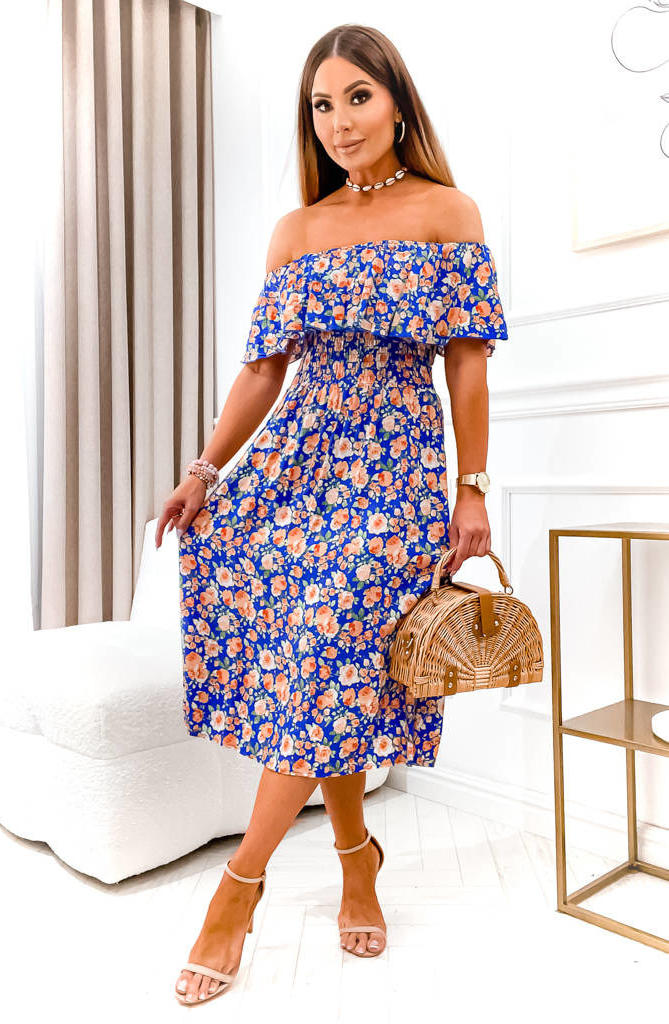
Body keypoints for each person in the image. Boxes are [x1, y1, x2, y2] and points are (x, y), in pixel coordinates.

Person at [155, 22, 508, 1006]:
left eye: (358, 96)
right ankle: (356, 858)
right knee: (329, 674)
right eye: (322, 104)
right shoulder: (296, 230)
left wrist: (471, 487)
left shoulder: (447, 212)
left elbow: (466, 366)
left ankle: (236, 890)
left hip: (394, 471)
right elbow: (262, 370)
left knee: (325, 656)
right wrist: (204, 471)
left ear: (396, 101)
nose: (340, 120)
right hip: (295, 468)